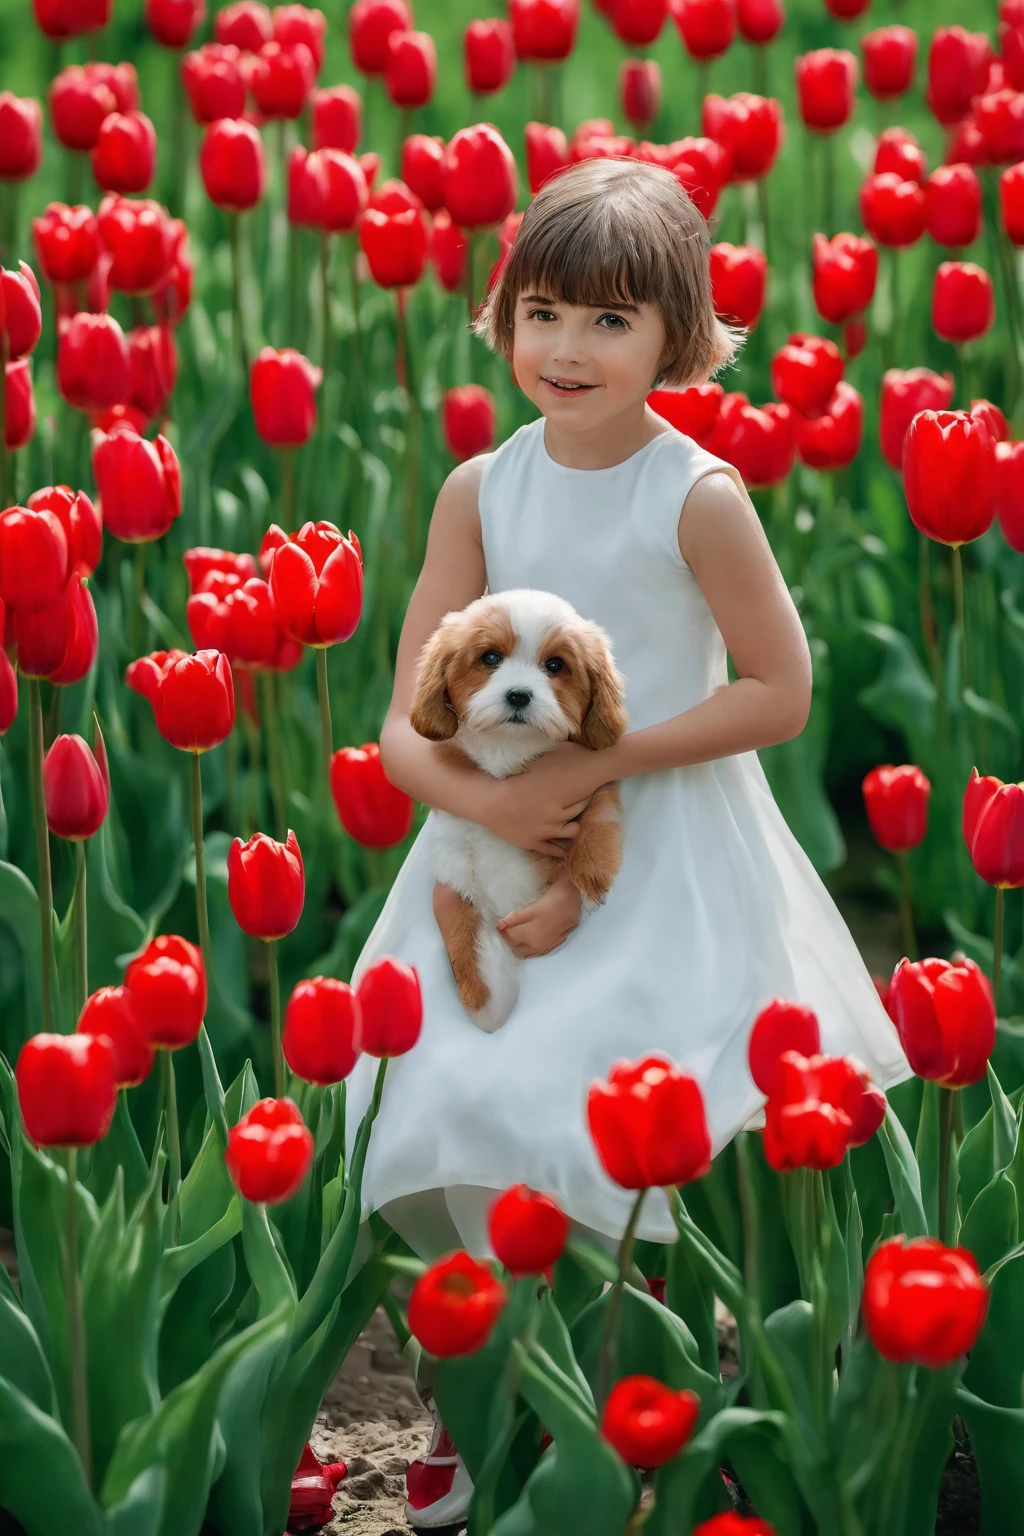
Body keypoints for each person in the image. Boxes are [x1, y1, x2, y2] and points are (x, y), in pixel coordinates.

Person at [342, 156, 912, 1529]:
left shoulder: (695, 495)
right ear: (504, 320)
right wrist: (485, 802)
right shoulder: (481, 491)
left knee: (590, 1111)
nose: (568, 348)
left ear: (675, 332)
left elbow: (778, 692)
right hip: (491, 850)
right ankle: (485, 1399)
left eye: (609, 320)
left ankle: (637, 1385)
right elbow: (404, 727)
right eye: (543, 312)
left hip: (666, 857)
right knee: (425, 1106)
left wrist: (606, 758)